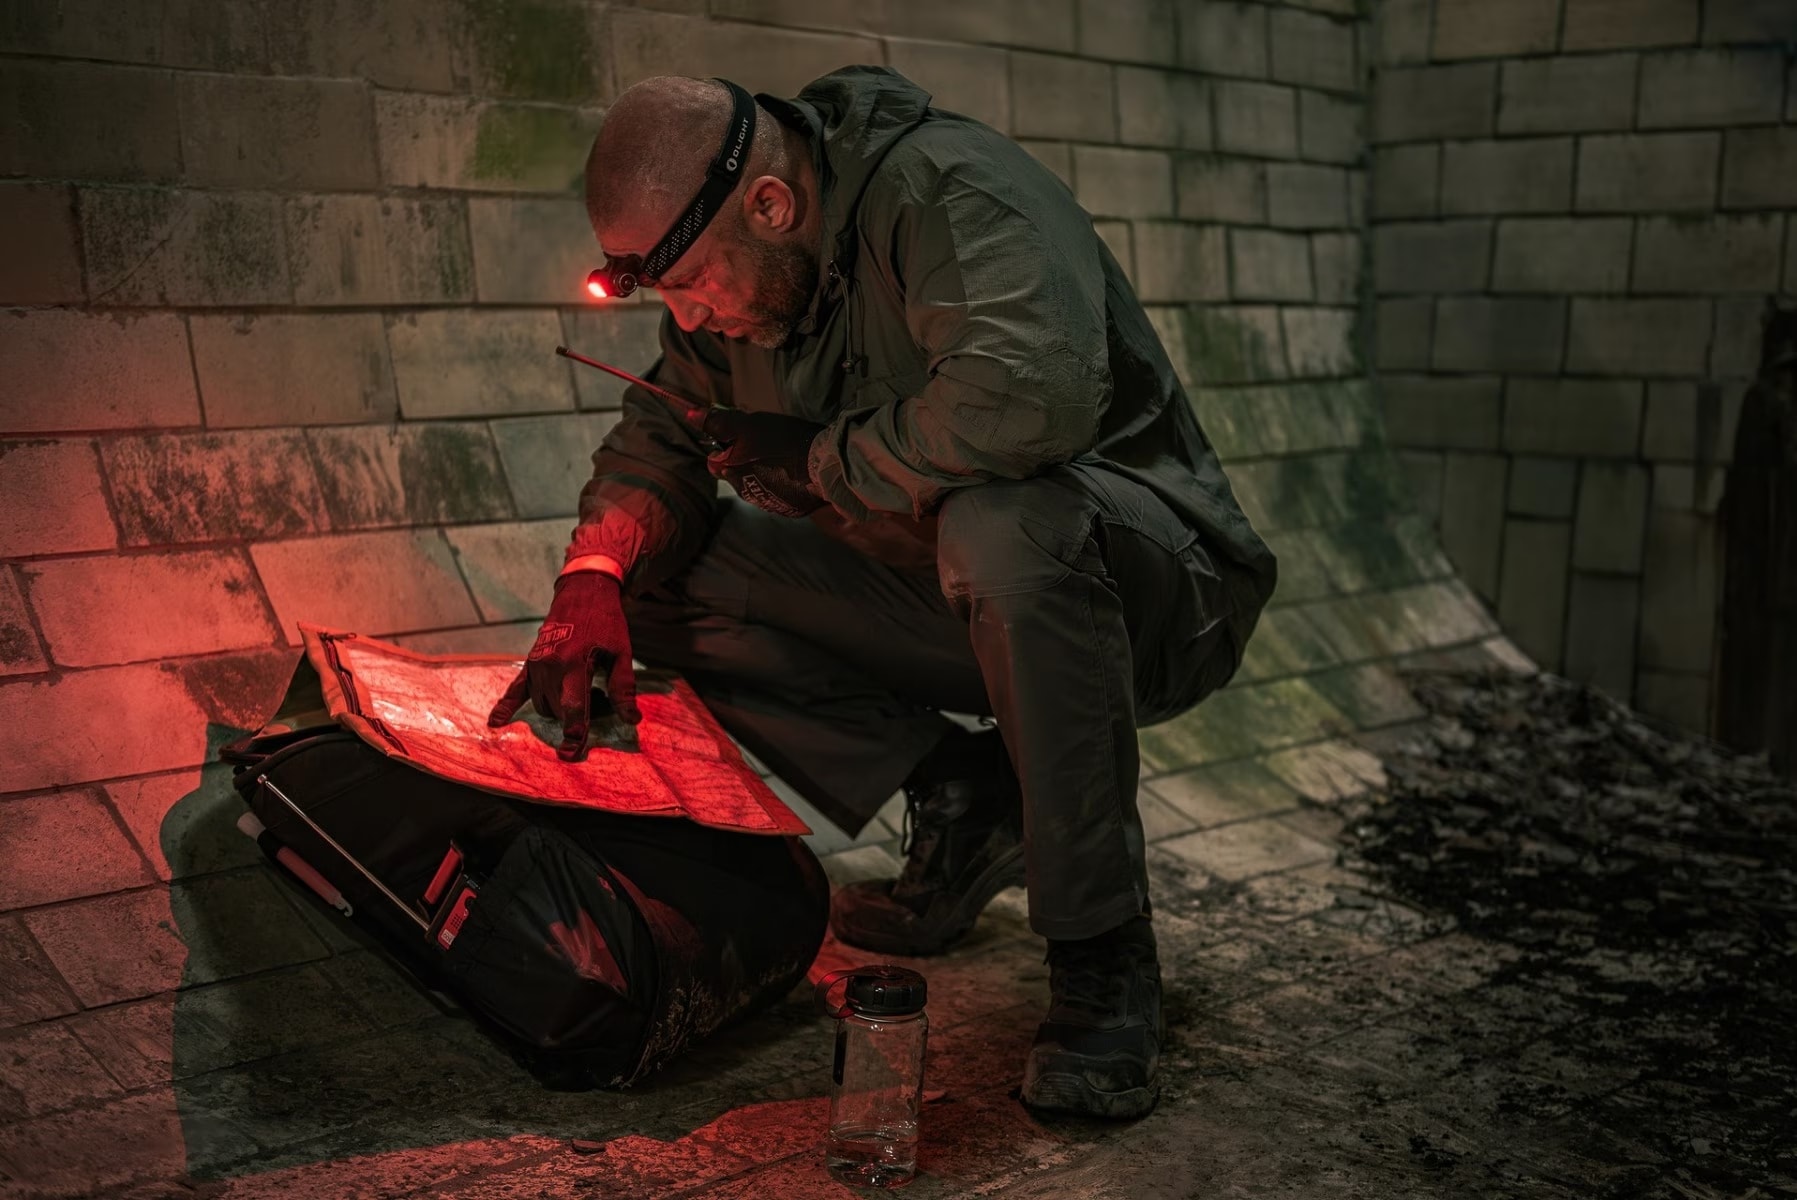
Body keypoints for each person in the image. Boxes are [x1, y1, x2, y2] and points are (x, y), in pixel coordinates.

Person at [489, 66, 1277, 1118]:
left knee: (1004, 520)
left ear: (770, 204)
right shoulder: (746, 287)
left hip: (1150, 596)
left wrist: (820, 462)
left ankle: (1102, 955)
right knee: (653, 582)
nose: (691, 319)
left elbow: (1025, 403)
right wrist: (590, 575)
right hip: (961, 599)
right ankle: (967, 792)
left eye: (692, 286)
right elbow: (657, 443)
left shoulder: (952, 191)